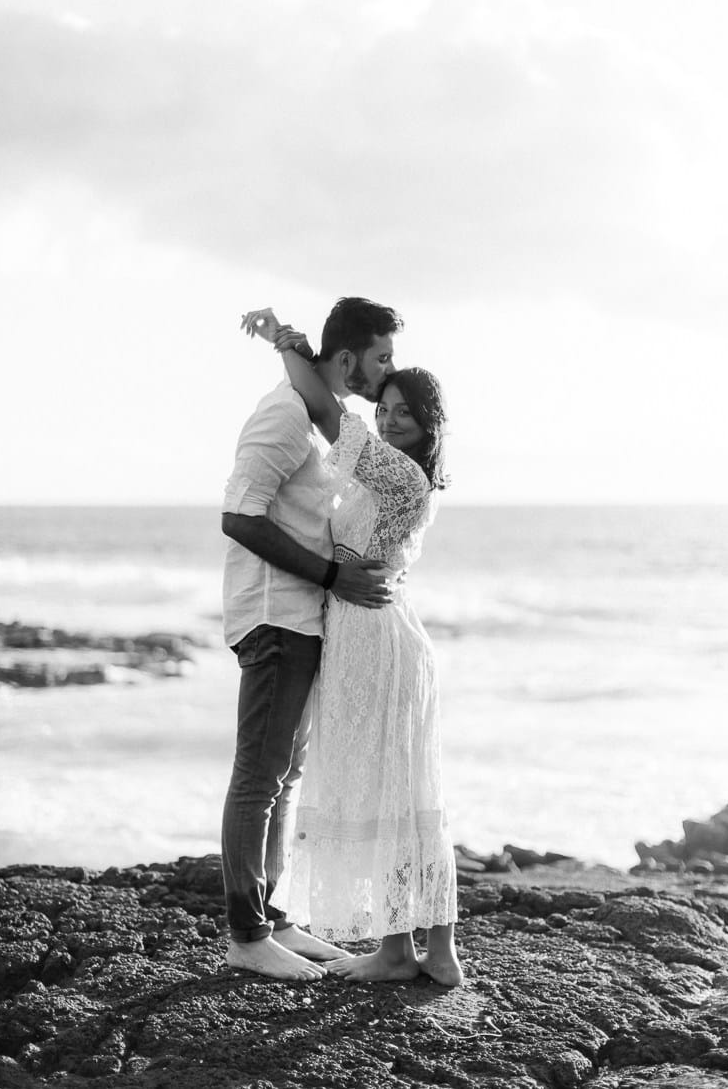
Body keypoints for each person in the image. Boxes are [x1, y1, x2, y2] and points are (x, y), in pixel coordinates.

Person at [243, 308, 462, 985]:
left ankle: (416, 952)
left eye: (405, 413)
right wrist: (312, 351)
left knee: (397, 793)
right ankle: (417, 952)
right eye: (388, 409)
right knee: (398, 793)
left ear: (431, 426)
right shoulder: (394, 475)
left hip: (377, 640)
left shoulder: (402, 478)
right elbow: (332, 405)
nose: (391, 419)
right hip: (369, 633)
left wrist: (287, 342)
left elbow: (322, 408)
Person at [220, 296, 402, 981]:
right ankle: (245, 932)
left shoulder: (326, 419)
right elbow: (239, 518)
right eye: (381, 357)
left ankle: (273, 915)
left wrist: (281, 337)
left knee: (286, 776)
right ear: (349, 356)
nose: (389, 371)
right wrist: (333, 576)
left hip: (304, 618)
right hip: (273, 616)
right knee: (258, 778)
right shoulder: (284, 412)